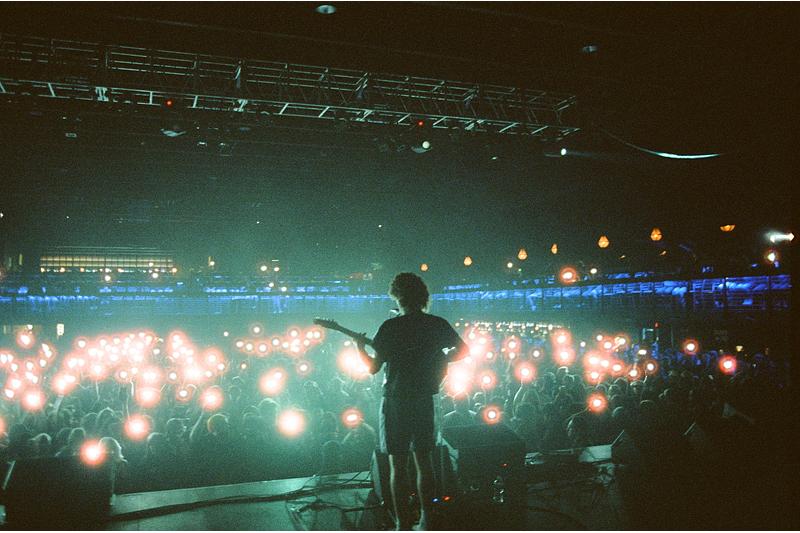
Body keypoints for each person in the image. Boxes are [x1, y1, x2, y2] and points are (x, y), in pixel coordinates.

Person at [355, 272, 466, 531]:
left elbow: (373, 368)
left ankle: (403, 524)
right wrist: (440, 359)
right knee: (424, 463)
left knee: (398, 465)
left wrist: (359, 347)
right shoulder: (436, 324)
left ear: (397, 296)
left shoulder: (390, 327)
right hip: (424, 399)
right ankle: (428, 519)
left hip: (396, 401)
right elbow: (464, 350)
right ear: (423, 296)